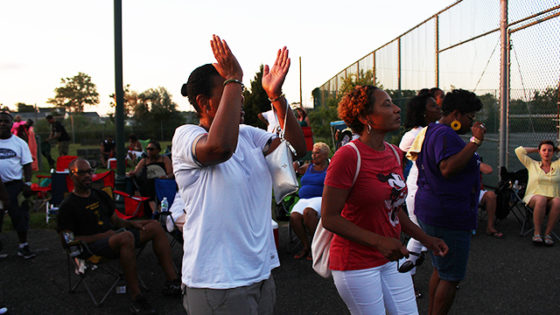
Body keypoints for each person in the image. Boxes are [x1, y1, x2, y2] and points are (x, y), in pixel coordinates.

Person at [172, 35, 305, 314]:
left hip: (260, 273)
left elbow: (296, 148)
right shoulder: (187, 137)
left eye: (239, 91)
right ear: (205, 103)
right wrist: (234, 77)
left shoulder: (248, 135)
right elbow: (220, 148)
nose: (240, 97)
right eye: (230, 90)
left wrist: (275, 97)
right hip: (218, 282)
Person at [321, 85, 448, 315]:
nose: (397, 109)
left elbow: (393, 209)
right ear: (365, 117)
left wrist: (426, 239)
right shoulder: (348, 156)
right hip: (355, 264)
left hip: (391, 258)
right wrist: (378, 241)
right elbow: (329, 217)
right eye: (387, 104)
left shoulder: (394, 153)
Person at [57, 158, 181, 314]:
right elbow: (68, 241)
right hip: (92, 246)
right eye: (81, 173)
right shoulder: (68, 206)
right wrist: (102, 236)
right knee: (126, 238)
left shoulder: (100, 195)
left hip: (116, 237)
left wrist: (134, 224)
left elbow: (115, 220)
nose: (88, 176)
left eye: (90, 171)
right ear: (71, 175)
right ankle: (137, 297)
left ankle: (173, 282)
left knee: (154, 226)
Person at [411, 89, 485, 315]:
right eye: (470, 117)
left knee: (441, 270)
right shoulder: (445, 135)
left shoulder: (432, 130)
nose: (471, 123)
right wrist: (475, 141)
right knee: (451, 277)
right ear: (455, 114)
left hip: (434, 209)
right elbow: (448, 168)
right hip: (448, 214)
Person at [398, 92, 442, 296]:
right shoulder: (413, 135)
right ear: (423, 112)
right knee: (420, 235)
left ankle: (442, 278)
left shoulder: (439, 130)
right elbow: (398, 161)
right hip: (419, 189)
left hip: (435, 190)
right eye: (433, 106)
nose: (438, 108)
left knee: (431, 235)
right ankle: (405, 281)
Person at [0, 111, 36, 259]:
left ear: (11, 124)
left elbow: (27, 164)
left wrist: (27, 183)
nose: (2, 124)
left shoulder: (19, 143)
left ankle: (23, 245)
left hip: (14, 185)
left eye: (5, 121)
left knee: (20, 216)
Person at [515, 141, 560, 246]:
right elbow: (519, 151)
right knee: (541, 199)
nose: (547, 153)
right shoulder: (532, 164)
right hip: (534, 197)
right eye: (544, 150)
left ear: (553, 152)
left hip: (553, 197)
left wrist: (557, 148)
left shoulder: (557, 165)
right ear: (540, 152)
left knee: (558, 201)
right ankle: (537, 232)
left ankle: (548, 234)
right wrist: (537, 149)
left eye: (550, 150)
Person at [290, 142, 330, 260]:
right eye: (313, 153)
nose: (314, 155)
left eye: (317, 153)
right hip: (304, 199)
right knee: (294, 216)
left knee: (308, 213)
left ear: (325, 154)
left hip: (320, 198)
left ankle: (316, 246)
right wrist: (295, 166)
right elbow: (294, 170)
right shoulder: (308, 167)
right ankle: (306, 246)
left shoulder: (330, 167)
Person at [127, 140, 173, 215]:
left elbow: (171, 173)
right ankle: (156, 210)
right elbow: (136, 171)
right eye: (147, 149)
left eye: (151, 149)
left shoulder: (164, 159)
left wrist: (166, 177)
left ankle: (156, 210)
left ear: (158, 150)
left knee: (150, 186)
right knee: (147, 185)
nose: (149, 151)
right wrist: (132, 173)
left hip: (162, 182)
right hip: (148, 184)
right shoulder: (144, 161)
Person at [479, 162, 503, 238]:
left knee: (491, 195)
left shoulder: (473, 158)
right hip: (458, 191)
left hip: (475, 191)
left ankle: (490, 227)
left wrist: (472, 161)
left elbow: (489, 170)